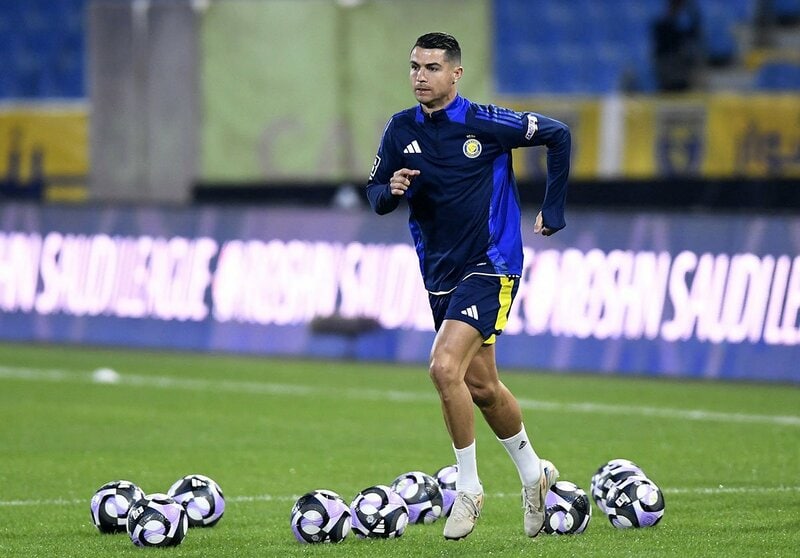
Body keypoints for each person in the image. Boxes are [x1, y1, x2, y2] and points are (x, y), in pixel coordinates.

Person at [365, 32, 571, 540]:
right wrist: (390, 191)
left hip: (491, 263)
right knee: (481, 387)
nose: (420, 77)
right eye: (415, 66)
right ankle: (534, 475)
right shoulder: (400, 129)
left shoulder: (485, 122)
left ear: (456, 74)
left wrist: (554, 208)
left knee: (443, 367)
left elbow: (558, 134)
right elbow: (375, 191)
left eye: (432, 68)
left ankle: (469, 488)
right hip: (440, 273)